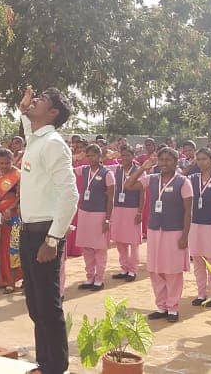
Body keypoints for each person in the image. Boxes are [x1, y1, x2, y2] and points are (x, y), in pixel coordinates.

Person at [17, 85, 79, 374]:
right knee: (35, 305)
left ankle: (56, 367)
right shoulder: (36, 139)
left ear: (53, 113)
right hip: (29, 231)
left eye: (41, 100)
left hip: (45, 233)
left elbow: (70, 194)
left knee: (48, 306)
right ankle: (46, 363)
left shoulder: (53, 142)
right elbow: (30, 130)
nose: (35, 100)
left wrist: (53, 238)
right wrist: (24, 110)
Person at [123, 147, 193, 323]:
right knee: (155, 269)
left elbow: (188, 212)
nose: (163, 163)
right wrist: (142, 167)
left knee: (172, 271)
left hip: (174, 231)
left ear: (176, 162)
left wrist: (185, 236)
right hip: (155, 230)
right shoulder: (152, 179)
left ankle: (173, 308)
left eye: (168, 160)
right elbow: (128, 185)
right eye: (161, 159)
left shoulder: (183, 182)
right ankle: (161, 306)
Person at [74, 144, 115, 291]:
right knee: (87, 247)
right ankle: (89, 277)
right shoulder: (83, 170)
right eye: (88, 155)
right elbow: (68, 171)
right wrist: (73, 158)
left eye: (93, 155)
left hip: (99, 213)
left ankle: (99, 279)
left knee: (99, 248)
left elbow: (111, 199)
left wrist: (108, 219)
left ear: (99, 156)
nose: (90, 158)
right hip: (84, 212)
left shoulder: (107, 173)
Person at [188, 148, 211, 307]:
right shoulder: (192, 179)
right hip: (195, 224)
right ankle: (201, 293)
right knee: (198, 261)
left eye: (204, 159)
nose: (201, 162)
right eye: (199, 159)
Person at [0, 149, 23, 292]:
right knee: (3, 250)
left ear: (13, 161)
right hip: (1, 219)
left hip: (17, 219)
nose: (4, 166)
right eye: (1, 163)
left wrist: (12, 208)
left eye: (7, 163)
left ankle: (23, 279)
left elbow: (22, 196)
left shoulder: (20, 176)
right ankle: (8, 281)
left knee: (16, 249)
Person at [108, 145, 143, 282]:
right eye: (123, 155)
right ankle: (124, 268)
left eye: (128, 155)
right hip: (118, 208)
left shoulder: (139, 171)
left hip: (133, 209)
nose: (125, 158)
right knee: (120, 241)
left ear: (133, 156)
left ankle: (133, 270)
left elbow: (142, 193)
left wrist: (140, 211)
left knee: (133, 242)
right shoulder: (116, 169)